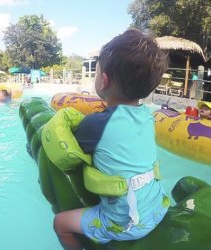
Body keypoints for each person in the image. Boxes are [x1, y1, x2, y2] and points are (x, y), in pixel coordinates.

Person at [53, 29, 170, 250]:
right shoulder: (148, 116)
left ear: (103, 81)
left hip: (125, 223)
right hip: (158, 206)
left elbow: (71, 146)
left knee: (60, 223)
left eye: (96, 73)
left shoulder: (97, 124)